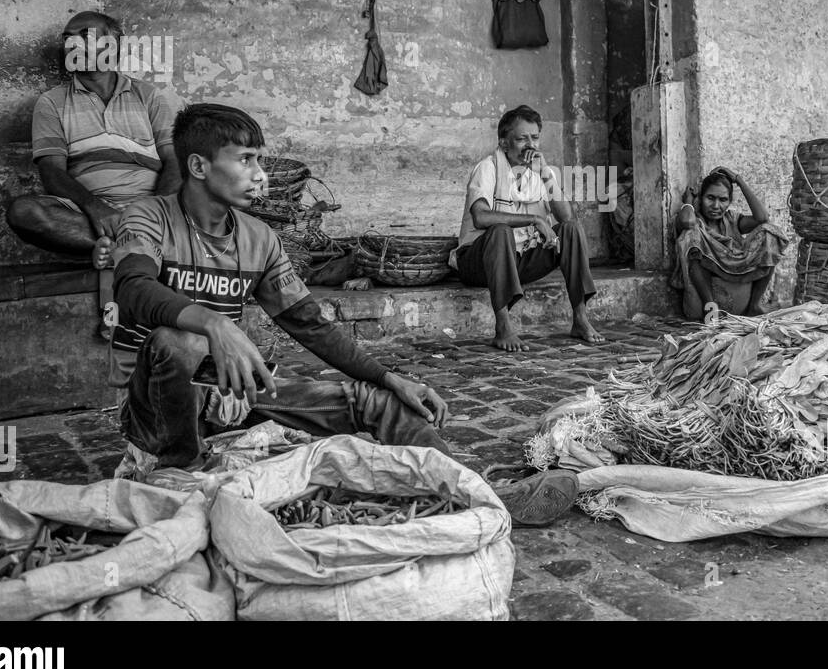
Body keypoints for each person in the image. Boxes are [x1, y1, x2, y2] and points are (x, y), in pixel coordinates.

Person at [109, 103, 576, 525]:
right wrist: (212, 323)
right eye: (245, 159)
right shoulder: (148, 218)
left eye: (259, 159)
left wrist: (390, 378)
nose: (260, 174)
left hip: (232, 397)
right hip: (157, 405)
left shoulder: (259, 238)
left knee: (381, 402)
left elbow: (310, 324)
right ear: (198, 165)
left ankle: (480, 492)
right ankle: (181, 469)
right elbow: (133, 289)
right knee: (180, 340)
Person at [6, 11, 180, 271]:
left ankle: (125, 243)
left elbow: (174, 161)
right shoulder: (52, 102)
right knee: (24, 212)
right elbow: (52, 172)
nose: (72, 45)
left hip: (150, 205)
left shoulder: (148, 96)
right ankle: (137, 245)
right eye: (68, 39)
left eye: (85, 36)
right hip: (88, 213)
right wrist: (96, 208)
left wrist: (155, 211)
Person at [451, 105, 604, 352]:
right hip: (478, 262)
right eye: (522, 139)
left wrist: (546, 174)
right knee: (499, 230)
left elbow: (566, 217)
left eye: (534, 137)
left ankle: (580, 318)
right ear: (504, 143)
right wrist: (534, 219)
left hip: (519, 262)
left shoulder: (541, 172)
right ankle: (503, 326)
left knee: (572, 230)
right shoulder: (487, 168)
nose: (529, 145)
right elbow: (480, 217)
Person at [673, 168, 787, 321]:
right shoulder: (696, 220)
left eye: (723, 200)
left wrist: (738, 179)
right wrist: (688, 202)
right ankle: (711, 307)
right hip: (706, 287)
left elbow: (762, 218)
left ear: (729, 201)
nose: (716, 205)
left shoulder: (732, 219)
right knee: (690, 235)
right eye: (710, 198)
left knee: (770, 233)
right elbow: (687, 222)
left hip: (737, 271)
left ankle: (754, 305)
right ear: (700, 198)